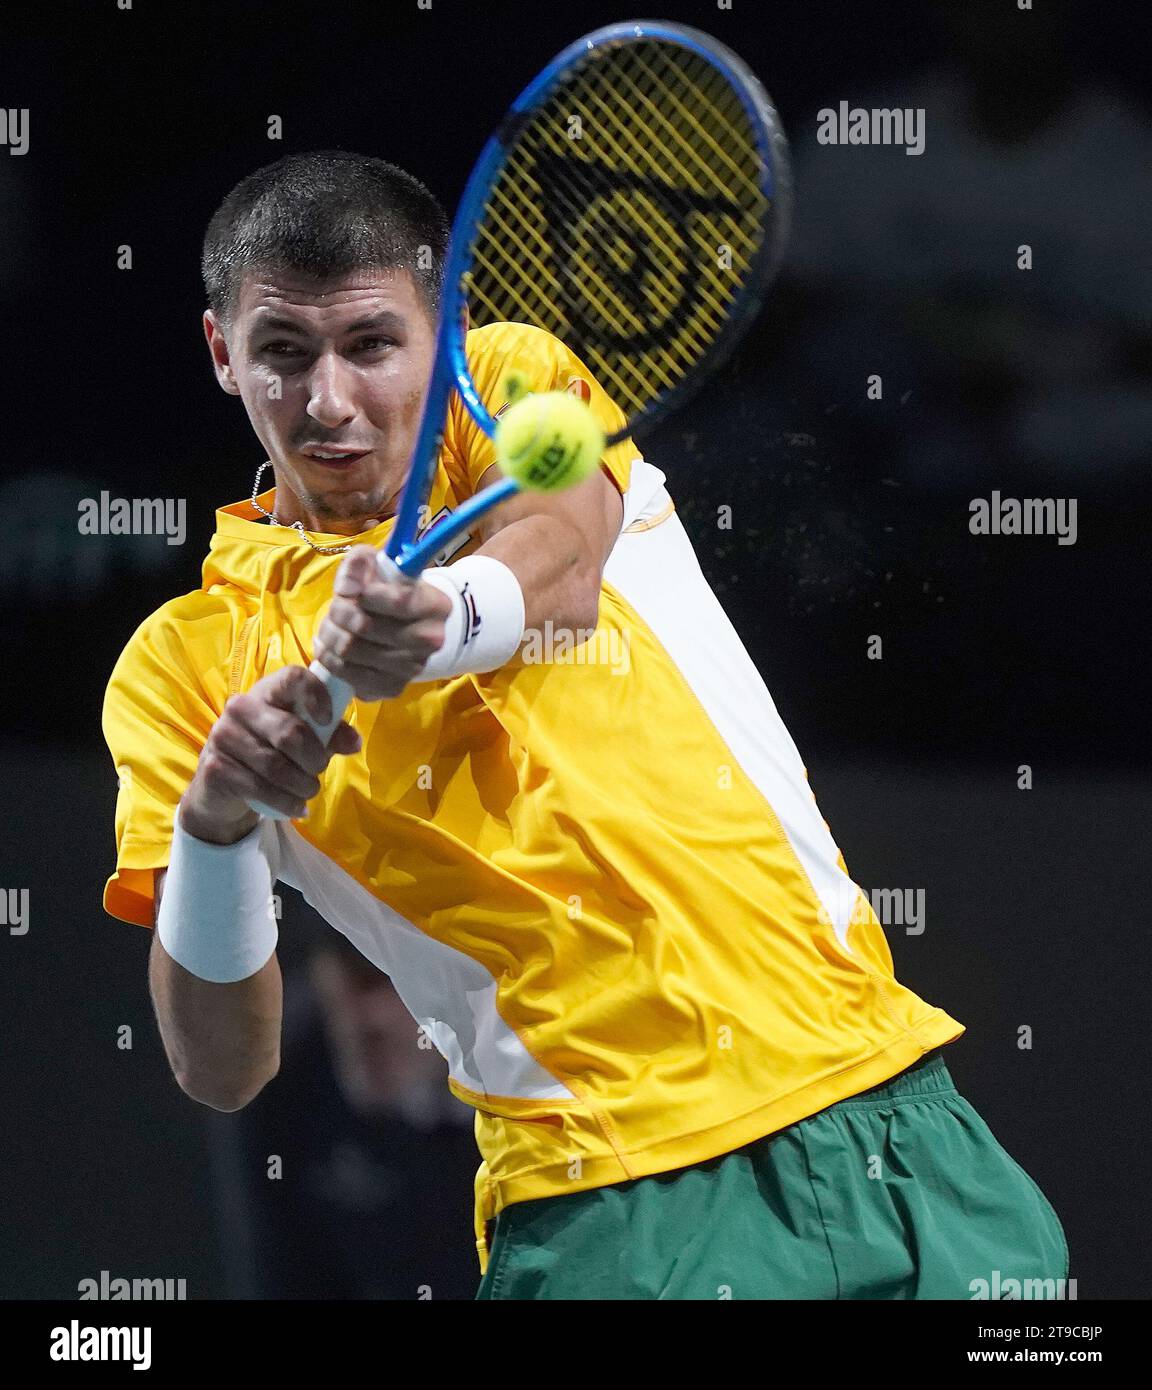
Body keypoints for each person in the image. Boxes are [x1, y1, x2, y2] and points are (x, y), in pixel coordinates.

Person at [102, 150, 1067, 1299]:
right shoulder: (184, 667)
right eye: (282, 353)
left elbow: (556, 564)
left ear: (445, 324)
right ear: (223, 353)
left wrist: (432, 618)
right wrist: (216, 823)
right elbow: (222, 1065)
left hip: (898, 1118)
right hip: (611, 1211)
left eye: (371, 343)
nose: (330, 403)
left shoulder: (514, 386)